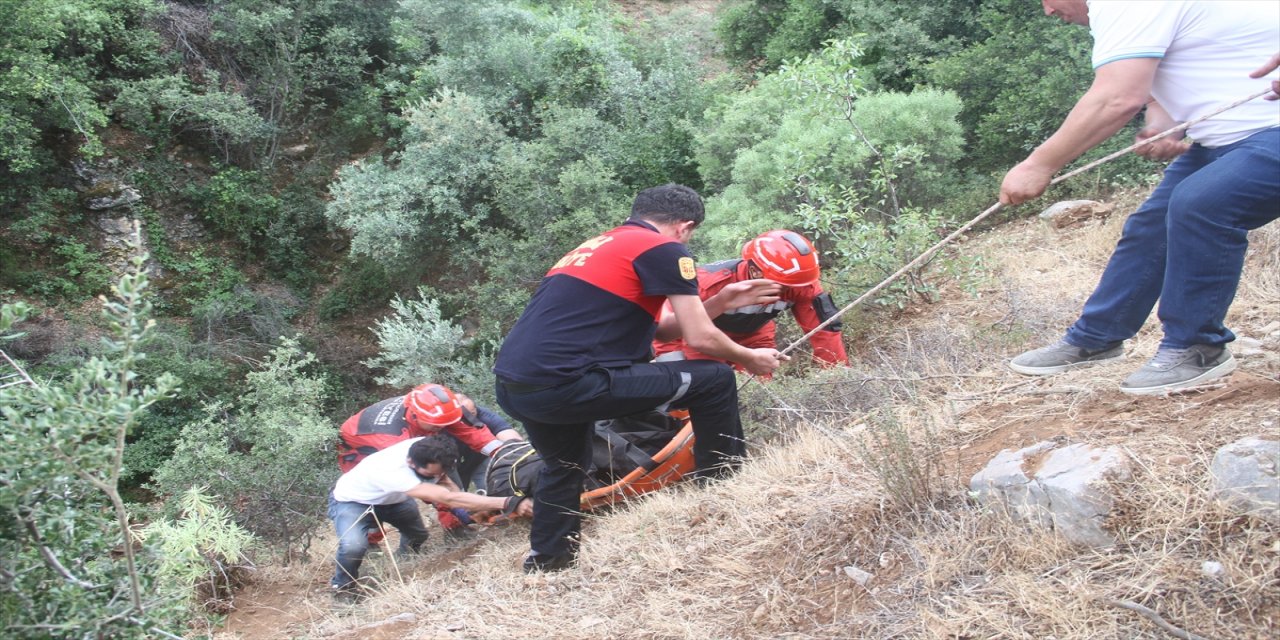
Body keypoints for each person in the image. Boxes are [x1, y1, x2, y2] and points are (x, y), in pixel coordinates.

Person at [493, 183, 786, 573]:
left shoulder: (598, 247)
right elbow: (700, 338)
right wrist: (750, 357)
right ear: (685, 227)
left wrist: (724, 300)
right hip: (569, 383)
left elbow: (664, 333)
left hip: (518, 386)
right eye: (691, 233)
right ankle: (724, 490)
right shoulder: (665, 249)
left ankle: (549, 562)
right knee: (715, 378)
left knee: (565, 465)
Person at [1002, 1, 1279, 395]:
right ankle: (1097, 336)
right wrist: (1163, 123)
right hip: (1228, 139)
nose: (1047, 10)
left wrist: (1037, 165)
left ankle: (1197, 347)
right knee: (1151, 226)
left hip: (1269, 130)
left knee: (1200, 204)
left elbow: (1116, 98)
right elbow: (1170, 72)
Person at [328, 435, 532, 598]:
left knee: (418, 535)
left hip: (393, 499)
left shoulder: (430, 449)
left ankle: (404, 562)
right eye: (428, 474)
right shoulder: (393, 472)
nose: (434, 476)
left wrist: (474, 512)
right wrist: (509, 503)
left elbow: (445, 483)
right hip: (353, 501)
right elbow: (448, 498)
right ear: (411, 462)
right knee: (353, 545)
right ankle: (342, 588)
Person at [336, 384, 523, 538]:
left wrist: (509, 456)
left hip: (416, 435)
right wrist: (460, 508)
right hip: (359, 452)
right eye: (437, 425)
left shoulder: (441, 410)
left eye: (446, 423)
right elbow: (428, 486)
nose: (442, 428)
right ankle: (371, 541)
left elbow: (475, 433)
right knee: (376, 501)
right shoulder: (391, 439)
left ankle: (457, 525)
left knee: (443, 469)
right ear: (417, 416)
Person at [653, 229, 849, 375]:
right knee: (705, 385)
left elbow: (824, 330)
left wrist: (837, 378)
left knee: (759, 390)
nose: (794, 289)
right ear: (755, 272)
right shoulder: (705, 283)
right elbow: (669, 331)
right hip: (701, 337)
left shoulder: (802, 284)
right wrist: (676, 370)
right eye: (785, 284)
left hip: (754, 334)